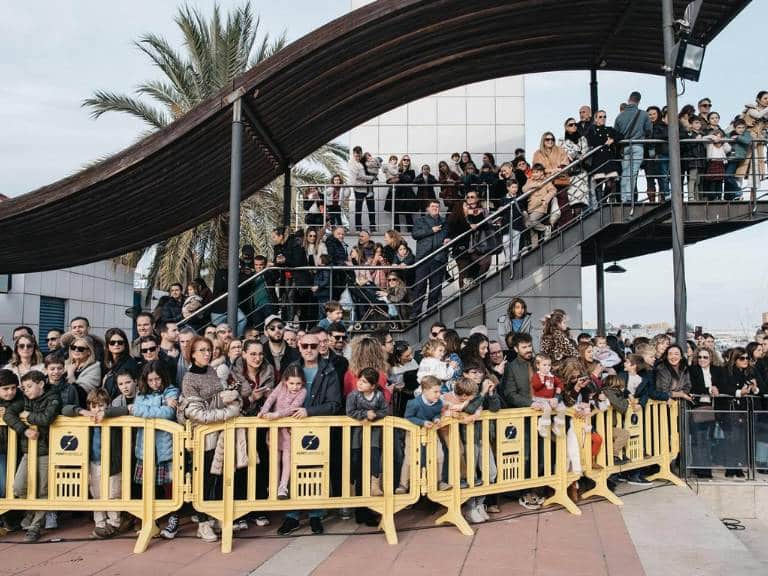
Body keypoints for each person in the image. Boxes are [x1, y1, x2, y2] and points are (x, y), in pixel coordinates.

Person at [277, 331, 342, 536]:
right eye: (305, 346)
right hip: (291, 428)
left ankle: (316, 514)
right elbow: (279, 395)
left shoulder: (329, 370)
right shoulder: (292, 368)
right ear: (298, 346)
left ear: (320, 347)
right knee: (292, 469)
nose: (309, 350)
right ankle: (292, 516)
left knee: (317, 469)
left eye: (313, 346)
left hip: (317, 429)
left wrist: (309, 411)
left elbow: (334, 404)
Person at [179, 335, 241, 542]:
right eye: (202, 350)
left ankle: (214, 517)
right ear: (192, 354)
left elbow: (226, 400)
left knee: (217, 478)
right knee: (203, 480)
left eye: (209, 349)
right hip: (202, 437)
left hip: (220, 435)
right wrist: (229, 411)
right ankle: (203, 522)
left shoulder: (213, 371)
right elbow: (199, 414)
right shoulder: (189, 379)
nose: (207, 353)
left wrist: (231, 400)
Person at [4, 370, 61, 542]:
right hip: (28, 450)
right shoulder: (25, 400)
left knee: (43, 489)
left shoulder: (53, 398)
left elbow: (46, 418)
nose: (26, 390)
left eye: (29, 386)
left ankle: (36, 526)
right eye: (24, 387)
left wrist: (27, 416)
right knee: (19, 486)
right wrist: (24, 429)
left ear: (41, 384)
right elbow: (8, 414)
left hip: (46, 451)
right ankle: (30, 511)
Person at [258, 365, 307, 499]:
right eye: (291, 383)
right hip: (275, 429)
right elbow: (271, 398)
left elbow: (293, 408)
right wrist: (264, 411)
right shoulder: (281, 386)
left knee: (287, 459)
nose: (294, 386)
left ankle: (283, 487)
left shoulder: (302, 392)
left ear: (302, 382)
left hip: (289, 430)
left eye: (298, 383)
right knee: (274, 459)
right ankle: (273, 486)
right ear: (285, 381)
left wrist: (277, 415)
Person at [346, 367, 389, 504]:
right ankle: (352, 486)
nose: (359, 383)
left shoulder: (378, 396)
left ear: (373, 385)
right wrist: (364, 414)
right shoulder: (353, 395)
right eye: (360, 380)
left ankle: (374, 485)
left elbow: (385, 410)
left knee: (374, 455)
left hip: (374, 431)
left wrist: (375, 415)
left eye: (364, 382)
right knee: (355, 457)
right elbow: (350, 411)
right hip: (357, 432)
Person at [398, 375, 446, 493]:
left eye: (439, 391)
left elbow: (436, 413)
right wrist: (422, 422)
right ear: (424, 391)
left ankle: (439, 481)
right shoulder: (414, 403)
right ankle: (403, 485)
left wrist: (436, 418)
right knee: (410, 459)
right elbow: (408, 417)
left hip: (430, 432)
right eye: (435, 391)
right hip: (413, 434)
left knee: (440, 456)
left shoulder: (438, 403)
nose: (438, 394)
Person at [447, 189, 492, 289]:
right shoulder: (459, 214)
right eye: (468, 197)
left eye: (472, 197)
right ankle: (465, 293)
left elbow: (487, 226)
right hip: (464, 248)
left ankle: (477, 285)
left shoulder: (481, 211)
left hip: (478, 246)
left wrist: (478, 214)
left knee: (484, 263)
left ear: (477, 199)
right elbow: (454, 228)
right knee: (465, 272)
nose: (470, 200)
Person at [412, 200, 449, 315]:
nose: (435, 208)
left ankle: (431, 311)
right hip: (423, 258)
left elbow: (450, 233)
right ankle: (416, 312)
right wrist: (431, 230)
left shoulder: (445, 221)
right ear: (427, 209)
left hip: (438, 258)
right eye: (433, 206)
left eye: (437, 206)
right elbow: (415, 234)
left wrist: (449, 239)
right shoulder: (420, 221)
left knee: (436, 288)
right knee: (420, 287)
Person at [614, 92, 652, 203]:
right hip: (638, 145)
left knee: (625, 173)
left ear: (628, 99)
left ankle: (623, 197)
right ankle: (629, 198)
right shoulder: (644, 114)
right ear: (638, 101)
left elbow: (616, 132)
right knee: (633, 173)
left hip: (625, 147)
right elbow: (649, 130)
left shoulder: (620, 116)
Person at [585, 110, 621, 203]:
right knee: (599, 184)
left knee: (611, 182)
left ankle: (604, 201)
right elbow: (591, 142)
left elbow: (620, 135)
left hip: (609, 159)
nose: (603, 119)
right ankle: (600, 203)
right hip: (598, 160)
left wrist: (613, 140)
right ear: (595, 119)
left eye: (605, 117)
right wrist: (604, 142)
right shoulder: (591, 130)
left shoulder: (609, 129)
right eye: (600, 117)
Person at [530, 353, 566, 437]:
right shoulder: (537, 375)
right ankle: (543, 426)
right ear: (538, 366)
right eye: (544, 365)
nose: (547, 367)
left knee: (562, 408)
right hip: (539, 399)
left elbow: (560, 383)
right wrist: (542, 381)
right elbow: (536, 386)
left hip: (550, 399)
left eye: (549, 365)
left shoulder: (551, 376)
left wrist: (559, 388)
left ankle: (557, 425)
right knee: (547, 409)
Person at [562, 117, 591, 218]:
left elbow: (585, 152)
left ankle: (580, 220)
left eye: (575, 124)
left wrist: (576, 155)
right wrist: (577, 154)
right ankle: (576, 221)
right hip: (571, 175)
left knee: (581, 202)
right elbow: (566, 156)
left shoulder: (582, 139)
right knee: (573, 203)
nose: (574, 126)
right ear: (566, 127)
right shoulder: (562, 142)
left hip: (582, 173)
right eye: (571, 125)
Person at [0, 370, 20, 512]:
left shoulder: (20, 397)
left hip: (16, 448)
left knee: (10, 486)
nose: (10, 392)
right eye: (5, 389)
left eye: (13, 388)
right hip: (2, 448)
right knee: (2, 486)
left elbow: (22, 405)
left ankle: (9, 519)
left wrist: (7, 410)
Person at [522, 163, 556, 247]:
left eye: (536, 172)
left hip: (541, 207)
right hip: (531, 207)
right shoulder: (530, 180)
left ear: (541, 172)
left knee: (532, 221)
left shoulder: (546, 180)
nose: (534, 174)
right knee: (532, 229)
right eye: (533, 172)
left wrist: (546, 199)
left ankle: (545, 228)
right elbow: (524, 189)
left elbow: (553, 190)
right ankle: (535, 248)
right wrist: (536, 185)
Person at [262, 315, 301, 380]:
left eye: (280, 327)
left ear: (284, 330)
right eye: (272, 328)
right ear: (266, 332)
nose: (277, 330)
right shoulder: (260, 352)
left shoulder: (295, 353)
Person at [103, 328, 138, 399]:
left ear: (125, 344)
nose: (116, 344)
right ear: (108, 346)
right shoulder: (107, 364)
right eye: (112, 342)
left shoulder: (129, 364)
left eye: (120, 342)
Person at [349, 146, 378, 231]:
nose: (358, 157)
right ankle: (358, 227)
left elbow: (372, 166)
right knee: (358, 209)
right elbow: (359, 176)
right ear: (353, 154)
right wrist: (371, 178)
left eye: (359, 155)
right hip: (359, 189)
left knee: (371, 208)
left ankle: (373, 227)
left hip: (368, 188)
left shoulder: (362, 161)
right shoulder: (352, 163)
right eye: (356, 155)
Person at [742, 90, 768, 181]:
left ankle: (753, 195)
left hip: (758, 141)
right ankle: (738, 193)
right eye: (765, 98)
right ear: (758, 99)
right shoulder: (751, 109)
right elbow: (758, 115)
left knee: (756, 168)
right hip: (749, 139)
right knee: (743, 167)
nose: (767, 100)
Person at [644, 106, 669, 202]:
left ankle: (663, 199)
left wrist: (653, 136)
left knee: (662, 179)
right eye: (649, 114)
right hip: (648, 157)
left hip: (660, 154)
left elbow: (666, 135)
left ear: (658, 114)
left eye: (654, 114)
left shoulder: (663, 125)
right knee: (649, 180)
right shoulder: (645, 126)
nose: (652, 116)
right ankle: (652, 200)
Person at [681, 115, 707, 200]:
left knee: (698, 180)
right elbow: (687, 146)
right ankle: (691, 197)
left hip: (700, 159)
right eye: (696, 123)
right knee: (692, 178)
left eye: (699, 123)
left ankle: (697, 197)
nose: (698, 125)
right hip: (692, 159)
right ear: (691, 124)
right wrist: (696, 140)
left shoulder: (702, 134)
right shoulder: (689, 134)